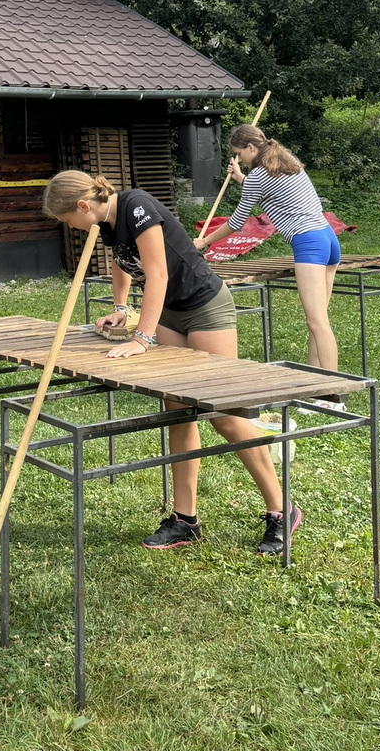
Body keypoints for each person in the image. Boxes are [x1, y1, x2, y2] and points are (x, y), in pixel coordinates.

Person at [42, 170, 300, 555]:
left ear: (82, 205)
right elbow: (124, 263)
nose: (71, 227)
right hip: (170, 314)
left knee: (223, 414)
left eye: (68, 220)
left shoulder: (137, 206)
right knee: (177, 411)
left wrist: (141, 339)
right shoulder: (107, 222)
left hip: (204, 307)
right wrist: (120, 308)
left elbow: (158, 274)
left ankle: (281, 510)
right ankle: (185, 519)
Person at [195, 124, 343, 411]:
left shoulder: (258, 177)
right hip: (327, 238)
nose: (240, 158)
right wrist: (241, 178)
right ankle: (316, 391)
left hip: (309, 242)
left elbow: (236, 222)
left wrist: (204, 241)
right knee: (318, 321)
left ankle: (336, 396)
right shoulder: (286, 161)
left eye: (240, 154)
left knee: (317, 323)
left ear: (251, 148)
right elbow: (270, 190)